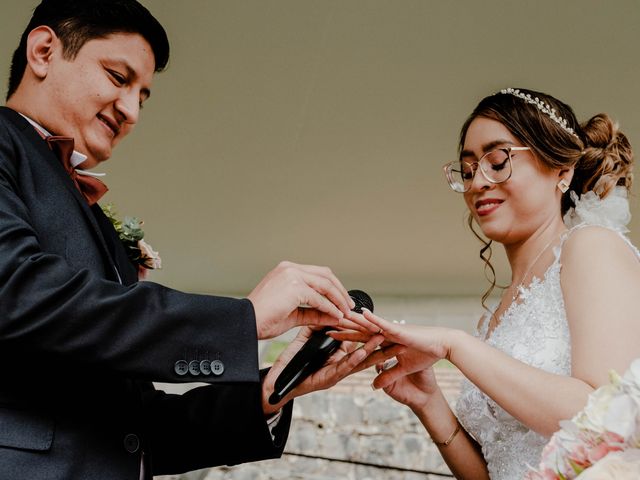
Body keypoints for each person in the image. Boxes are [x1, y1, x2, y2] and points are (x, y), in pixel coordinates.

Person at [0, 1, 390, 478]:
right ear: (43, 51)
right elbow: (19, 292)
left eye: (142, 97)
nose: (130, 111)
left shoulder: (95, 218)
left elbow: (136, 430)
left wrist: (275, 389)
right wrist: (240, 322)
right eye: (118, 78)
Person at [335, 87, 640, 479]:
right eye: (467, 170)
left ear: (561, 171)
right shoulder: (499, 313)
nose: (478, 182)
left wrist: (454, 345)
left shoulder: (590, 247)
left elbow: (605, 419)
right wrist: (430, 403)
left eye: (498, 162)